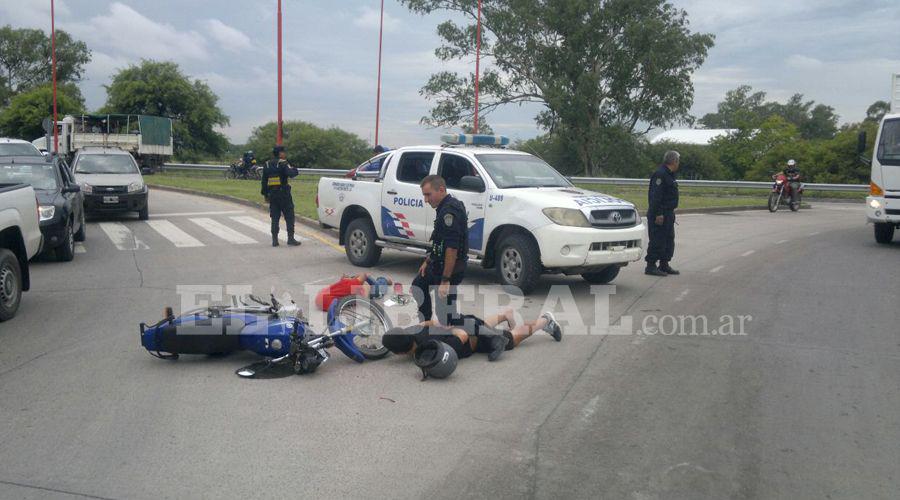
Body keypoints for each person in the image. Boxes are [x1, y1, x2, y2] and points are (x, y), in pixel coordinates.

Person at [382, 309, 563, 362]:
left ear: (400, 353)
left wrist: (450, 330)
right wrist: (442, 326)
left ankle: (545, 321)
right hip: (465, 322)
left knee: (512, 338)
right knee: (479, 325)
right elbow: (428, 323)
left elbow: (462, 337)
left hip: (472, 338)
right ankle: (504, 315)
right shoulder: (414, 330)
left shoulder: (433, 347)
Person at [411, 175, 468, 326]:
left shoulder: (450, 211)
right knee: (418, 286)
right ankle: (425, 325)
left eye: (428, 194)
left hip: (449, 270)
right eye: (424, 195)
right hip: (437, 264)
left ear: (441, 190)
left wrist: (445, 280)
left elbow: (452, 247)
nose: (426, 200)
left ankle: (481, 327)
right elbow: (439, 240)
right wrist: (428, 259)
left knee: (447, 318)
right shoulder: (443, 207)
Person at [646, 150, 680, 277]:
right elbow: (656, 196)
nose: (678, 163)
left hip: (668, 213)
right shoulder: (660, 174)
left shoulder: (670, 174)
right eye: (678, 161)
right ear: (674, 161)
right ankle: (650, 266)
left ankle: (664, 264)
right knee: (657, 240)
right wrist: (658, 213)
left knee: (668, 239)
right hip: (659, 213)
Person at [261, 145, 301, 247]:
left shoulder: (267, 164)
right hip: (284, 194)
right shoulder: (283, 163)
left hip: (272, 194)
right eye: (283, 152)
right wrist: (294, 168)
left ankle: (275, 240)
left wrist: (265, 194)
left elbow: (264, 181)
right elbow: (291, 174)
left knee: (275, 217)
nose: (285, 153)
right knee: (289, 215)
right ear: (280, 153)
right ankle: (290, 239)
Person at [314, 273, 393, 311]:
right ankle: (383, 279)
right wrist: (356, 277)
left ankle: (382, 280)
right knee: (379, 290)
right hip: (364, 291)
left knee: (374, 286)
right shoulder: (349, 284)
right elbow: (364, 276)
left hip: (320, 301)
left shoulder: (342, 284)